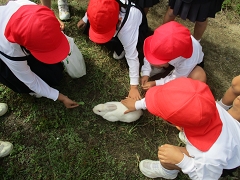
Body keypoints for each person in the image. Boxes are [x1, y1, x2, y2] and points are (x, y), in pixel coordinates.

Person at [121, 78, 240, 179]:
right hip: (230, 136)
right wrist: (138, 105)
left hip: (226, 162)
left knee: (168, 155)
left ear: (177, 125)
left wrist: (182, 161)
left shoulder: (207, 156)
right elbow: (166, 98)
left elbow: (204, 177)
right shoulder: (206, 105)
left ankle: (168, 171)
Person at [0, 0, 79, 109]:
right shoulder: (11, 50)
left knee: (54, 73)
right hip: (4, 55)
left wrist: (52, 21)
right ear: (27, 47)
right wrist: (60, 97)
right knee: (23, 81)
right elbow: (31, 81)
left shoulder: (30, 8)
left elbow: (43, 22)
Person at [77, 0, 148, 100]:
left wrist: (134, 86)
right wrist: (85, 19)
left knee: (121, 51)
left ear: (118, 21)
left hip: (135, 28)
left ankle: (120, 48)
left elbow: (132, 57)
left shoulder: (128, 27)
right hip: (119, 25)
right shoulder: (99, 3)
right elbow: (94, 10)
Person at [140, 21, 206, 91]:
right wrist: (146, 73)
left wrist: (155, 83)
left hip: (191, 66)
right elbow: (150, 52)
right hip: (173, 61)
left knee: (192, 78)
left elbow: (176, 78)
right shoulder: (162, 38)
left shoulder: (188, 62)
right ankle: (161, 70)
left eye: (157, 61)